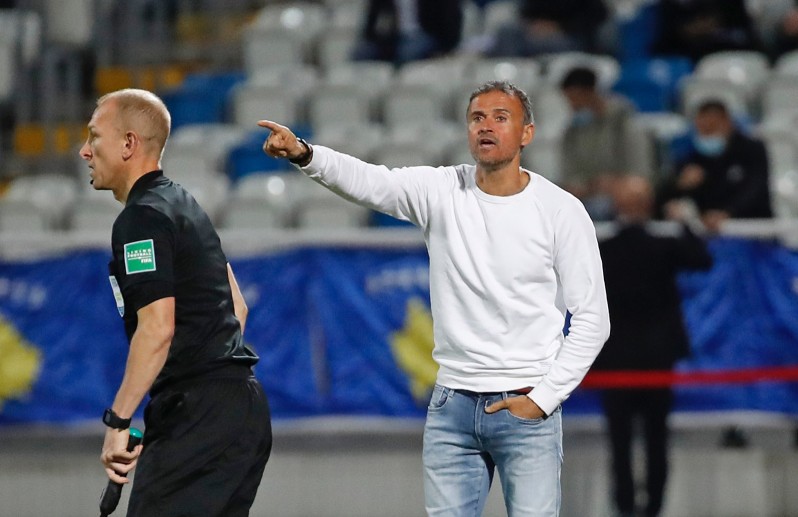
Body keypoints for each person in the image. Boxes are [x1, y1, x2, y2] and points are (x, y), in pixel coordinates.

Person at [259, 80, 610, 516]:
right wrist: (305, 154)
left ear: (526, 134)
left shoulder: (561, 210)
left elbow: (594, 319)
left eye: (501, 118)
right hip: (452, 408)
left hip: (527, 405)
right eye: (477, 118)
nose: (486, 127)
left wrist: (543, 399)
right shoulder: (441, 190)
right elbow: (371, 182)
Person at [80, 88, 271, 517]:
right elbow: (236, 307)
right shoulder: (184, 205)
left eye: (94, 137)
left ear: (128, 144)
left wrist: (119, 421)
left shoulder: (141, 218)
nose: (84, 151)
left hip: (201, 414)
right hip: (240, 410)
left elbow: (157, 328)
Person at [595, 176, 713, 517]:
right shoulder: (662, 246)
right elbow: (702, 259)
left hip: (616, 359)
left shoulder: (603, 249)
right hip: (656, 359)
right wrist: (683, 223)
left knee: (620, 443)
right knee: (656, 439)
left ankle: (625, 507)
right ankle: (653, 509)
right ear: (649, 207)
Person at [656, 99, 772, 233]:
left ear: (727, 123)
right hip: (708, 234)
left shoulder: (752, 150)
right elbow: (662, 198)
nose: (707, 135)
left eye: (712, 128)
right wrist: (678, 186)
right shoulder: (692, 157)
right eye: (702, 129)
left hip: (752, 231)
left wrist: (727, 213)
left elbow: (756, 189)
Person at [559, 66, 653, 221]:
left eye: (576, 98)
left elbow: (640, 171)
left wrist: (615, 184)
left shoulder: (624, 121)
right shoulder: (572, 132)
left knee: (634, 192)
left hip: (621, 192)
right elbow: (570, 178)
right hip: (589, 195)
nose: (573, 105)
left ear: (591, 93)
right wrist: (590, 185)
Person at [352, 0, 463, 65]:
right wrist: (372, 38)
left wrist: (445, 47)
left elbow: (450, 19)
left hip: (425, 34)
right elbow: (372, 18)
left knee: (407, 52)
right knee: (361, 53)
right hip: (393, 37)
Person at [488, 0, 609, 57]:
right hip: (535, 33)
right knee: (507, 32)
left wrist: (559, 28)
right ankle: (509, 81)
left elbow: (597, 15)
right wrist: (533, 24)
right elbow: (527, 10)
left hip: (570, 37)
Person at [652, 0, 762, 62]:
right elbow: (670, 33)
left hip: (730, 51)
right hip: (687, 55)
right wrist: (694, 29)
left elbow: (743, 30)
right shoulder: (672, 4)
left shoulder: (732, 4)